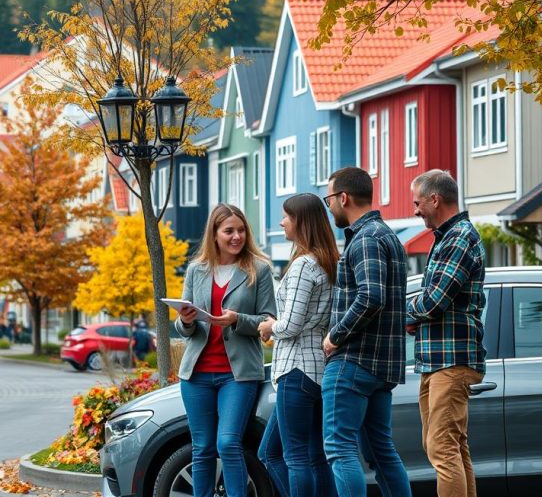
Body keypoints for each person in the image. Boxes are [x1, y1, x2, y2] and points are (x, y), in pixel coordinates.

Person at [175, 203, 276, 497]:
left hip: (238, 374)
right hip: (197, 375)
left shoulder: (259, 270)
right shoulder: (197, 270)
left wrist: (237, 320)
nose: (237, 236)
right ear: (215, 234)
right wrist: (185, 320)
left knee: (228, 443)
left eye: (241, 230)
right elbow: (183, 329)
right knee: (202, 447)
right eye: (229, 231)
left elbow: (269, 321)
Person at [321, 167, 411, 497]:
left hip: (354, 362)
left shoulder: (366, 239)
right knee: (381, 453)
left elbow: (371, 296)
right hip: (381, 366)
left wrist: (335, 336)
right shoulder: (388, 236)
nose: (329, 207)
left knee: (340, 450)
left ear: (343, 198)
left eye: (329, 199)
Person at [407, 170, 486, 497]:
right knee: (451, 445)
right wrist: (416, 317)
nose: (415, 210)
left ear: (435, 199)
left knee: (442, 447)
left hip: (450, 359)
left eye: (417, 203)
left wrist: (404, 315)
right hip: (438, 359)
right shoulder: (449, 236)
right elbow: (436, 301)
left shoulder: (458, 237)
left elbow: (435, 300)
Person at [257, 193, 339, 497]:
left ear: (301, 222)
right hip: (319, 369)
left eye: (286, 217)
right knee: (312, 455)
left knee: (292, 456)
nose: (281, 222)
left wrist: (268, 326)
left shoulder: (304, 265)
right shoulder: (329, 260)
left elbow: (289, 325)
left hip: (296, 370)